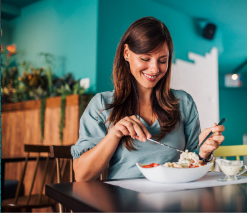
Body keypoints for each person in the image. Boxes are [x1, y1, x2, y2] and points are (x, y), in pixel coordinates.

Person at [71, 16, 227, 181]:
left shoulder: (183, 102)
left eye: (162, 61)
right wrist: (114, 135)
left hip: (175, 200)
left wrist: (203, 153)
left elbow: (193, 164)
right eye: (145, 59)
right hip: (122, 202)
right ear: (126, 53)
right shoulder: (102, 104)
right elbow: (82, 175)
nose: (154, 69)